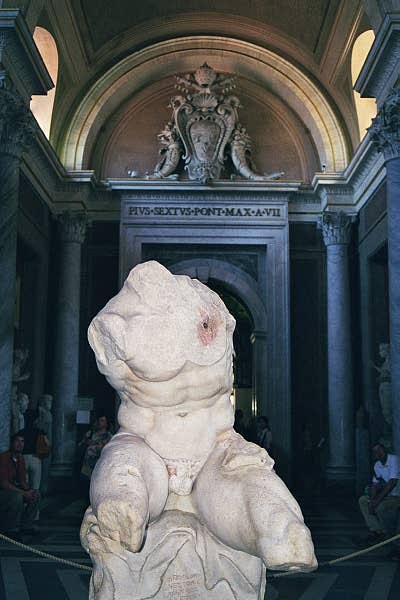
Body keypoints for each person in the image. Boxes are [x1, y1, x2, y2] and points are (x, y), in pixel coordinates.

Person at [0, 432, 40, 540]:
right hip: (3, 492)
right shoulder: (4, 458)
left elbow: (22, 480)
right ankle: (12, 528)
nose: (20, 444)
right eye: (17, 441)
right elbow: (4, 484)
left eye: (22, 441)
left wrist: (30, 491)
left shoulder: (20, 459)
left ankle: (26, 525)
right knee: (16, 497)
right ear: (12, 443)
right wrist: (23, 493)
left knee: (36, 494)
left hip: (13, 490)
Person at [358, 443, 400, 544]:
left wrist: (376, 502)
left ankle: (388, 535)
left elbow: (392, 483)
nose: (378, 453)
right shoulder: (377, 465)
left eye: (380, 450)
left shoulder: (394, 460)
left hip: (397, 496)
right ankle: (377, 531)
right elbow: (375, 485)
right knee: (363, 501)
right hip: (388, 496)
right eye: (375, 451)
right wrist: (372, 501)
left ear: (385, 450)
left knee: (380, 507)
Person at [80, 415, 113, 480]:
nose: (99, 422)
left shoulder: (109, 436)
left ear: (106, 424)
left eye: (102, 421)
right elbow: (81, 444)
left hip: (100, 468)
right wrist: (86, 442)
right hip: (86, 469)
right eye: (99, 420)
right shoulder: (90, 433)